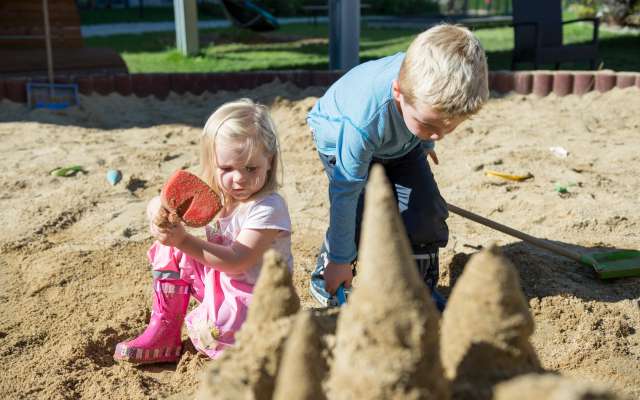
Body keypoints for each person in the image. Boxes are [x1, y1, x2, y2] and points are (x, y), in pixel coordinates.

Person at [307, 24, 489, 310]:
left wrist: (426, 144)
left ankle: (417, 290)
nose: (438, 135)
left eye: (449, 128)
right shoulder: (362, 121)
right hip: (339, 139)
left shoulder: (425, 88)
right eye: (430, 126)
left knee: (425, 209)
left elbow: (431, 124)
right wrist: (341, 260)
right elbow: (345, 193)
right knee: (359, 212)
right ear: (398, 92)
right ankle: (325, 274)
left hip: (402, 144)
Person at [114, 99, 292, 364]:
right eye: (227, 168)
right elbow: (159, 201)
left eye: (250, 168)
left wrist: (183, 239)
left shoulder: (268, 207)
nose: (239, 178)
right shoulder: (214, 195)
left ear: (270, 160)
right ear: (213, 162)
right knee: (167, 247)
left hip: (255, 300)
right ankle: (164, 332)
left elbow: (236, 261)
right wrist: (159, 216)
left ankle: (244, 345)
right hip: (222, 284)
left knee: (223, 322)